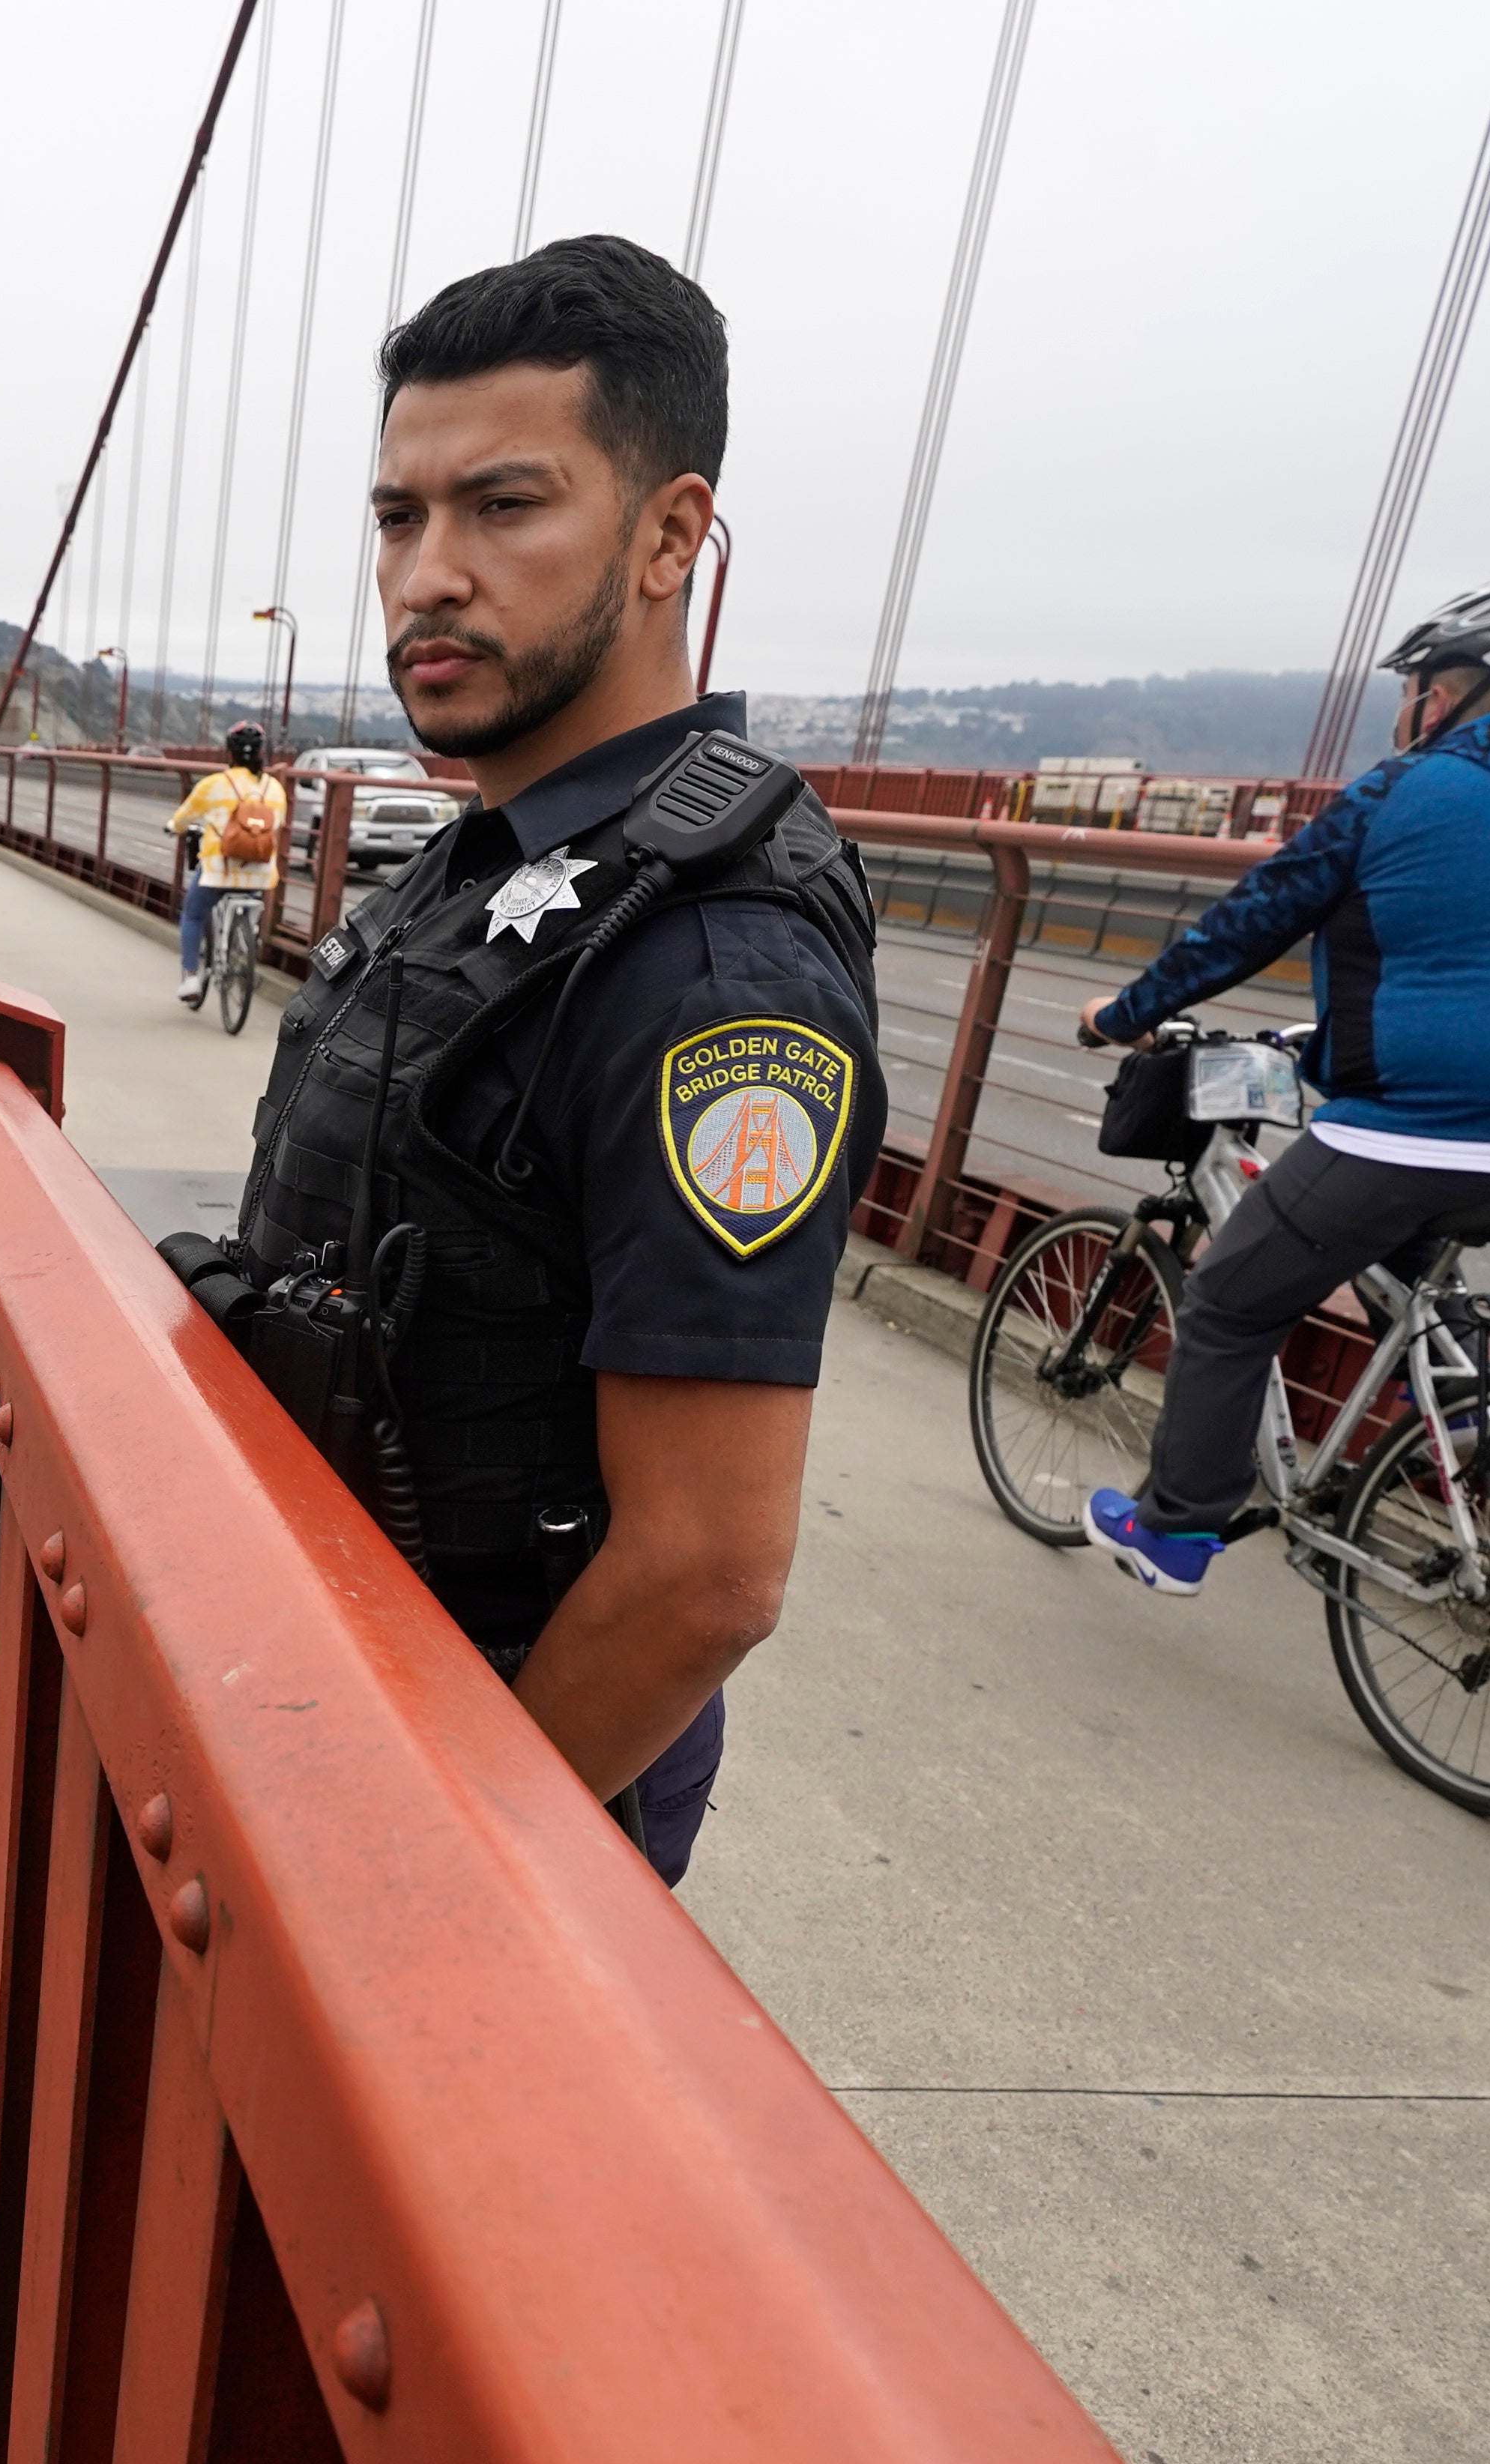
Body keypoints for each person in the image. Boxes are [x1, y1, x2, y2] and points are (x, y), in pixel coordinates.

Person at [217, 235, 880, 1887]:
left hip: (489, 1765)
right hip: (362, 1675)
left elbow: (708, 1570)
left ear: (669, 536)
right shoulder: (497, 850)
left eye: (504, 507)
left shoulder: (720, 977)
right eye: (398, 515)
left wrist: (430, 1859)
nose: (429, 573)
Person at [1071, 576, 1490, 1593]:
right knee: (1403, 1272)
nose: (1408, 705)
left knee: (1228, 1299)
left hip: (1436, 1130)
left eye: (1415, 683)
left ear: (1448, 690)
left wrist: (1120, 1015)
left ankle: (1174, 1535)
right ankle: (1465, 1449)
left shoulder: (1409, 788)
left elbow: (1250, 922)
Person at [166, 722, 289, 1005]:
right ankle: (245, 947)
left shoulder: (215, 784)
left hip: (218, 872)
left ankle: (192, 976)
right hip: (259, 872)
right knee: (249, 902)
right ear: (262, 754)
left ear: (229, 753)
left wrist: (174, 826)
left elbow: (184, 817)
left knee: (193, 914)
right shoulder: (275, 789)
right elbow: (277, 824)